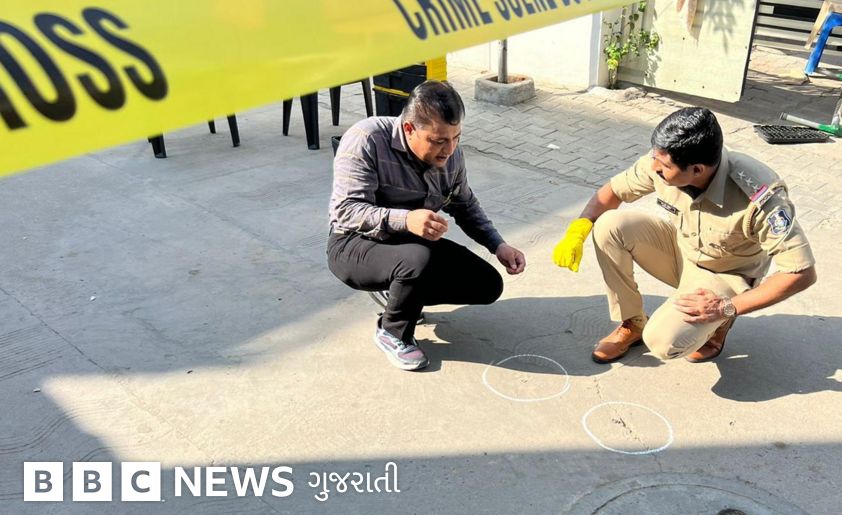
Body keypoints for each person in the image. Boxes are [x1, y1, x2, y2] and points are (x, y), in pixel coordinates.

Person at [552, 107, 816, 363]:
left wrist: (725, 308)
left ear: (697, 170)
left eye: (663, 165)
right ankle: (633, 323)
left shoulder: (759, 195)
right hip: (682, 251)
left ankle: (719, 325)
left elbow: (801, 273)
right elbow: (613, 191)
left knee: (663, 341)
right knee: (608, 225)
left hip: (725, 274)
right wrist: (578, 229)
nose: (653, 167)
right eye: (654, 157)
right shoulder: (664, 159)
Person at [328, 81, 526, 371]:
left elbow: (465, 205)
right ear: (409, 129)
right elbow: (345, 211)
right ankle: (392, 332)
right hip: (353, 244)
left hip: (412, 247)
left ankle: (399, 294)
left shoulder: (452, 154)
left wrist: (498, 245)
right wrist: (406, 219)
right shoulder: (366, 138)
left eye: (456, 137)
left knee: (487, 285)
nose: (449, 149)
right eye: (438, 141)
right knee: (418, 260)